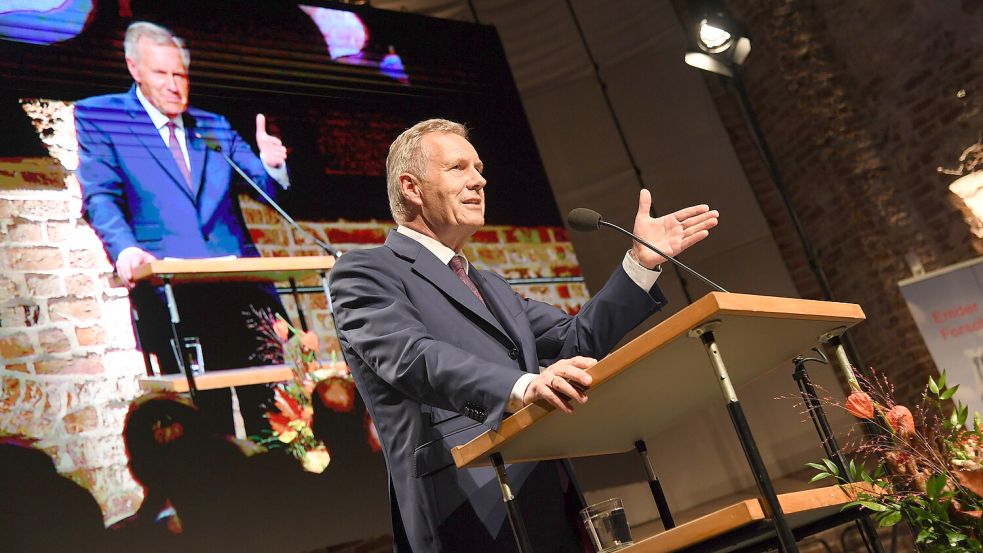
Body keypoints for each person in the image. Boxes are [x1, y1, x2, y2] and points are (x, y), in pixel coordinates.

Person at [329, 119, 719, 552]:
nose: (480, 180)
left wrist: (641, 263)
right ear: (411, 187)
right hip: (464, 507)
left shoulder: (490, 285)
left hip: (547, 494)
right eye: (459, 168)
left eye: (479, 168)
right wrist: (524, 385)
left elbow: (575, 338)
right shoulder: (365, 271)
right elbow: (410, 357)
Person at [75, 21, 291, 435]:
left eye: (181, 75)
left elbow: (264, 191)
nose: (175, 85)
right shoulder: (101, 116)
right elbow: (99, 196)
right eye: (162, 74)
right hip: (172, 297)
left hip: (240, 295)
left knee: (273, 420)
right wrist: (124, 250)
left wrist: (271, 165)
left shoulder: (214, 126)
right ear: (134, 69)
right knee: (204, 430)